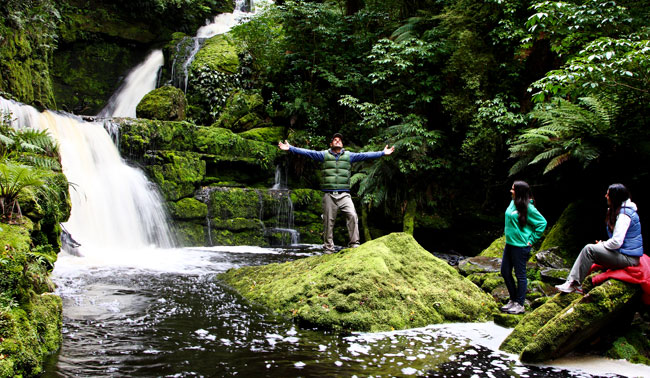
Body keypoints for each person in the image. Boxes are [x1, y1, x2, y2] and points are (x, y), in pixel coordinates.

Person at [278, 133, 395, 253]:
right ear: (331, 144)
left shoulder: (349, 156)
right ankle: (328, 248)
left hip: (344, 194)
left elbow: (364, 155)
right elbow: (308, 152)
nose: (337, 141)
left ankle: (354, 244)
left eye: (339, 140)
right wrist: (291, 148)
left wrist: (382, 153)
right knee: (328, 221)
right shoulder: (324, 155)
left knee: (352, 215)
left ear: (342, 144)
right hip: (329, 195)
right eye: (335, 140)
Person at [556, 183, 643, 294]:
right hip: (625, 254)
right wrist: (604, 244)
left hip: (628, 259)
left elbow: (617, 242)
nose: (605, 196)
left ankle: (574, 284)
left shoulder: (624, 215)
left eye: (608, 194)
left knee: (589, 249)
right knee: (591, 249)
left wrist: (601, 245)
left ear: (614, 197)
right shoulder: (622, 211)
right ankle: (573, 282)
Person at [500, 181, 547, 314]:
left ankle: (520, 304)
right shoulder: (512, 202)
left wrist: (531, 240)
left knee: (520, 275)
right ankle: (513, 300)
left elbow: (542, 223)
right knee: (505, 271)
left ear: (519, 192)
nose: (511, 191)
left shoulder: (529, 207)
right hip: (510, 244)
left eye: (513, 189)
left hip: (520, 246)